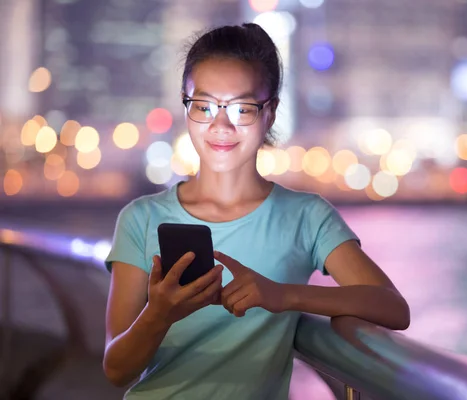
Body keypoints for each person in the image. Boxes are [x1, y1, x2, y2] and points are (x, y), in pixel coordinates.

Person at [102, 23, 410, 400]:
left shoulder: (306, 216)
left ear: (271, 112)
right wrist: (159, 314)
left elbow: (392, 307)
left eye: (242, 108)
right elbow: (116, 369)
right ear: (185, 105)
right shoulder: (141, 218)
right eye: (203, 106)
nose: (220, 124)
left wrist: (284, 295)